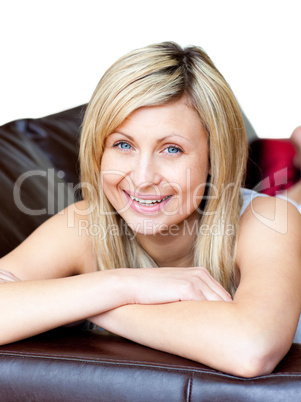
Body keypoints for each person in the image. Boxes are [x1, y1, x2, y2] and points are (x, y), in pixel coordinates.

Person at [0, 42, 300, 378]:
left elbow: (250, 349)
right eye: (123, 145)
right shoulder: (85, 224)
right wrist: (125, 285)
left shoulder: (270, 220)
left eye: (171, 149)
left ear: (214, 158)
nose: (142, 179)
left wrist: (84, 305)